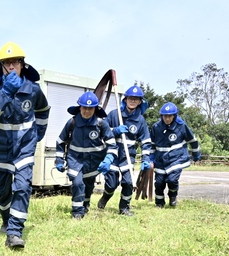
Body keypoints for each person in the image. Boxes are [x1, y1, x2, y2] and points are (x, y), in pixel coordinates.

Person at [0, 41, 50, 249]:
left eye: (16, 62)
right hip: (0, 149)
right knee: (3, 193)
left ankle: (14, 233)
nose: (12, 67)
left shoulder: (33, 89)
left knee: (22, 187)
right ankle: (5, 219)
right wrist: (6, 93)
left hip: (24, 148)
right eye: (7, 63)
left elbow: (43, 110)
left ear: (22, 65)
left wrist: (38, 134)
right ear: (1, 66)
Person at [55, 92, 118, 219]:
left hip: (94, 162)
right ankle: (77, 212)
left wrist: (108, 158)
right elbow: (60, 142)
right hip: (75, 160)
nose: (87, 111)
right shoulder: (72, 123)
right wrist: (59, 159)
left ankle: (85, 204)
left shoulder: (101, 124)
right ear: (79, 108)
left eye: (90, 108)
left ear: (95, 109)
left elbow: (112, 145)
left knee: (89, 184)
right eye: (84, 108)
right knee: (78, 184)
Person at [97, 85, 152, 216]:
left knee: (128, 182)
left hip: (128, 156)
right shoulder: (114, 115)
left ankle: (124, 208)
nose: (133, 101)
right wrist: (115, 131)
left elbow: (145, 141)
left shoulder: (140, 120)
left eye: (136, 99)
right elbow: (100, 132)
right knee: (111, 184)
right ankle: (105, 197)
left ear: (140, 102)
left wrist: (146, 159)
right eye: (130, 98)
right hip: (113, 154)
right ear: (125, 99)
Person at [150, 102, 201, 208]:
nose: (167, 118)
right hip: (160, 160)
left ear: (174, 116)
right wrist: (150, 159)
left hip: (177, 158)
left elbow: (192, 140)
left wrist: (196, 154)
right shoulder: (156, 127)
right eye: (165, 116)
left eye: (169, 116)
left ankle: (173, 197)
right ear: (161, 116)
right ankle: (159, 203)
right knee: (159, 183)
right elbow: (152, 145)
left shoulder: (181, 126)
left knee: (172, 180)